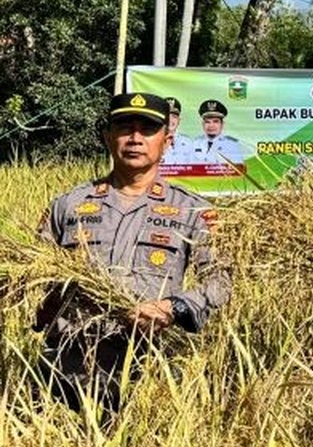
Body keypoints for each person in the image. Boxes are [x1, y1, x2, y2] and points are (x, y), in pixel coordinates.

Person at [34, 92, 230, 413]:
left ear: (167, 141)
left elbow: (220, 280)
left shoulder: (191, 209)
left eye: (147, 129)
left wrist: (174, 307)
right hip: (66, 374)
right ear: (108, 136)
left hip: (148, 376)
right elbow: (32, 279)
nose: (135, 138)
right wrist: (45, 305)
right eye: (125, 127)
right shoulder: (67, 205)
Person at [189, 100, 246, 165]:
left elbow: (237, 171)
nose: (211, 125)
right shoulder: (195, 143)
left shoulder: (232, 145)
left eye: (215, 121)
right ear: (203, 124)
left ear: (222, 124)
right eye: (207, 122)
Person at [161, 97, 194, 164]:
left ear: (179, 120)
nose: (170, 120)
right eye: (167, 116)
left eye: (174, 117)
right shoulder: (154, 141)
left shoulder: (188, 142)